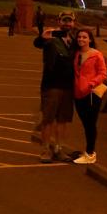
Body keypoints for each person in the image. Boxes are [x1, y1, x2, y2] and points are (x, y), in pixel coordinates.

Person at [33, 11, 76, 162]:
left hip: (68, 86)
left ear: (73, 23)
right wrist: (41, 37)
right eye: (64, 20)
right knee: (48, 119)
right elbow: (38, 43)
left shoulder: (74, 39)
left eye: (69, 21)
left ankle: (59, 148)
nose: (67, 23)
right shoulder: (51, 36)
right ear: (59, 21)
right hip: (51, 84)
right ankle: (45, 150)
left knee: (63, 120)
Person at [72, 28, 107, 165]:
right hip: (78, 93)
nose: (81, 39)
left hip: (92, 94)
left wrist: (92, 83)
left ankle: (91, 153)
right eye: (79, 37)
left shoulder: (96, 54)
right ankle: (88, 151)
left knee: (90, 124)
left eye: (84, 37)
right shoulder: (76, 54)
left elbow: (103, 73)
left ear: (90, 39)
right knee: (85, 124)